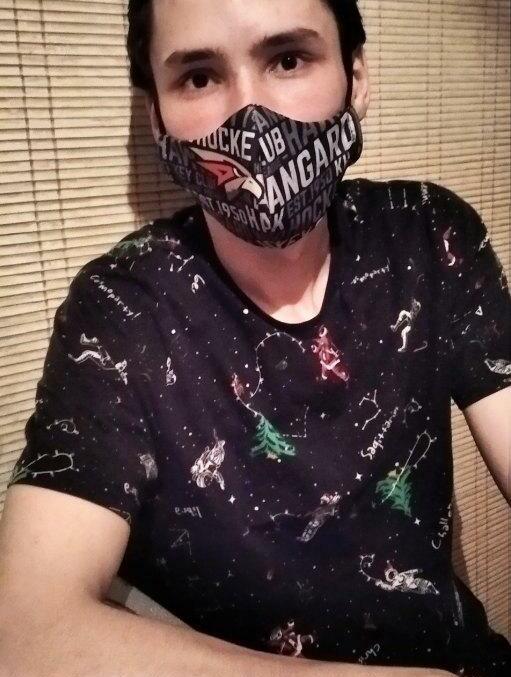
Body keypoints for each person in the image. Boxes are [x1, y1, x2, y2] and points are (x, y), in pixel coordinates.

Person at [0, 1, 510, 676]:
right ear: (157, 118)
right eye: (199, 77)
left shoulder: (426, 235)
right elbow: (25, 630)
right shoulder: (123, 310)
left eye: (288, 60)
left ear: (356, 77)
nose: (250, 114)